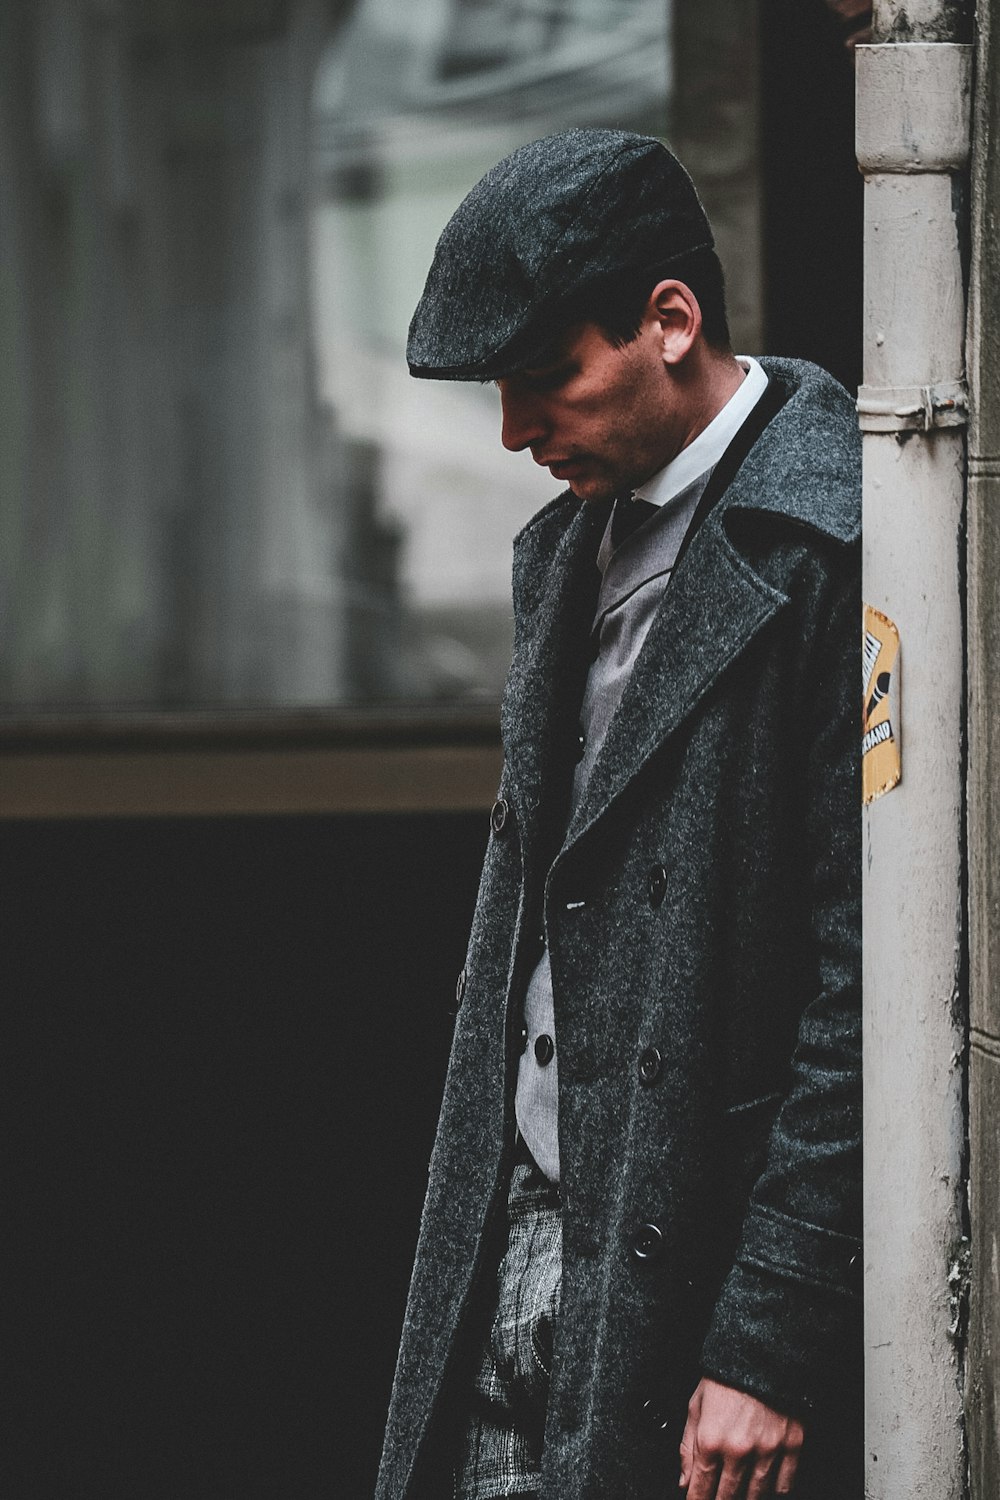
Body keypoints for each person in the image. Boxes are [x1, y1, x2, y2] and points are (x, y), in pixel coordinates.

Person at [376, 129, 861, 1500]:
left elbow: (870, 979)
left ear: (669, 320)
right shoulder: (568, 548)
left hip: (696, 1271)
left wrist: (768, 1338)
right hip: (518, 1230)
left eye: (548, 381)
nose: (518, 431)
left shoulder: (841, 541)